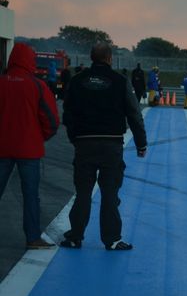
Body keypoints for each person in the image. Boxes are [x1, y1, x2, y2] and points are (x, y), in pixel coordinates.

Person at [60, 42, 147, 251]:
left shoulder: (78, 80)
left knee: (83, 192)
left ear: (91, 58)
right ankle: (112, 239)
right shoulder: (120, 80)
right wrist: (141, 143)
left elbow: (68, 112)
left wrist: (75, 137)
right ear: (109, 59)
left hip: (84, 143)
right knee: (109, 193)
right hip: (111, 144)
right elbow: (134, 113)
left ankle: (75, 236)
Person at [0, 43, 61, 249]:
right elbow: (51, 120)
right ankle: (33, 238)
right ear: (29, 60)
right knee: (30, 195)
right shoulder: (37, 85)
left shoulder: (1, 83)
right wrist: (38, 137)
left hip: (2, 148)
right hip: (29, 149)